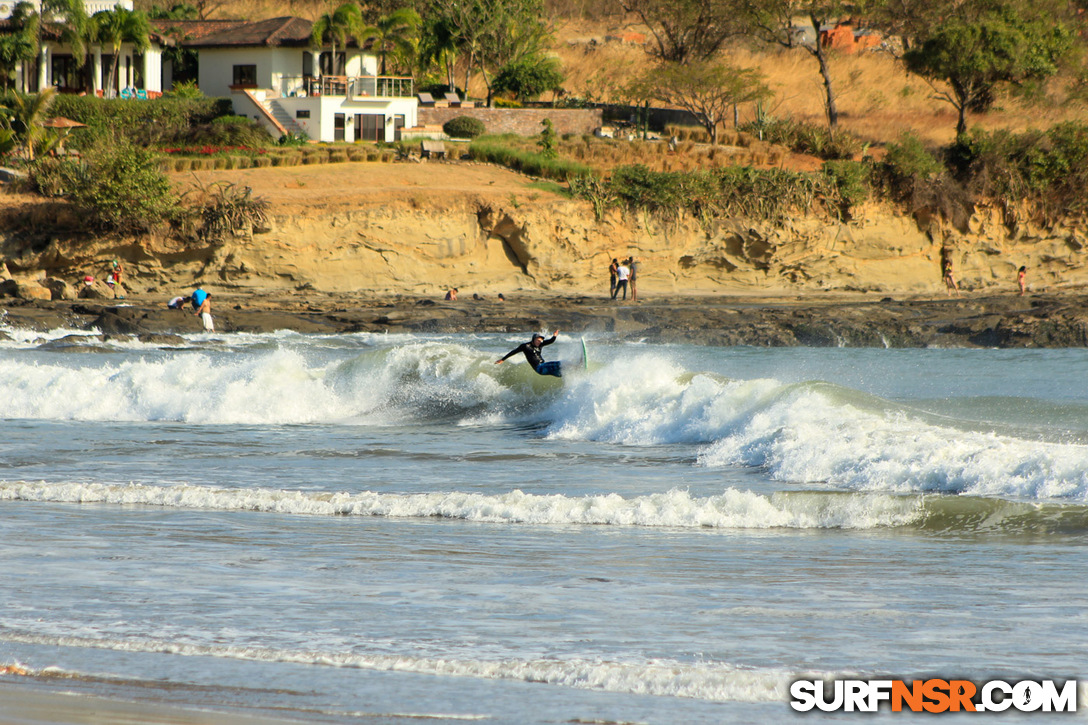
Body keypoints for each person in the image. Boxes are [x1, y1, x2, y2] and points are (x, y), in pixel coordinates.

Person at [495, 330, 562, 377]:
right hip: (539, 368)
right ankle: (570, 364)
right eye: (538, 340)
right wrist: (502, 359)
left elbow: (551, 341)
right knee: (560, 364)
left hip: (543, 366)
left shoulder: (540, 344)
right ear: (533, 339)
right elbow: (513, 352)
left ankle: (571, 373)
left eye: (541, 341)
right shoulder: (525, 346)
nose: (539, 342)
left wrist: (554, 336)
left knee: (561, 373)